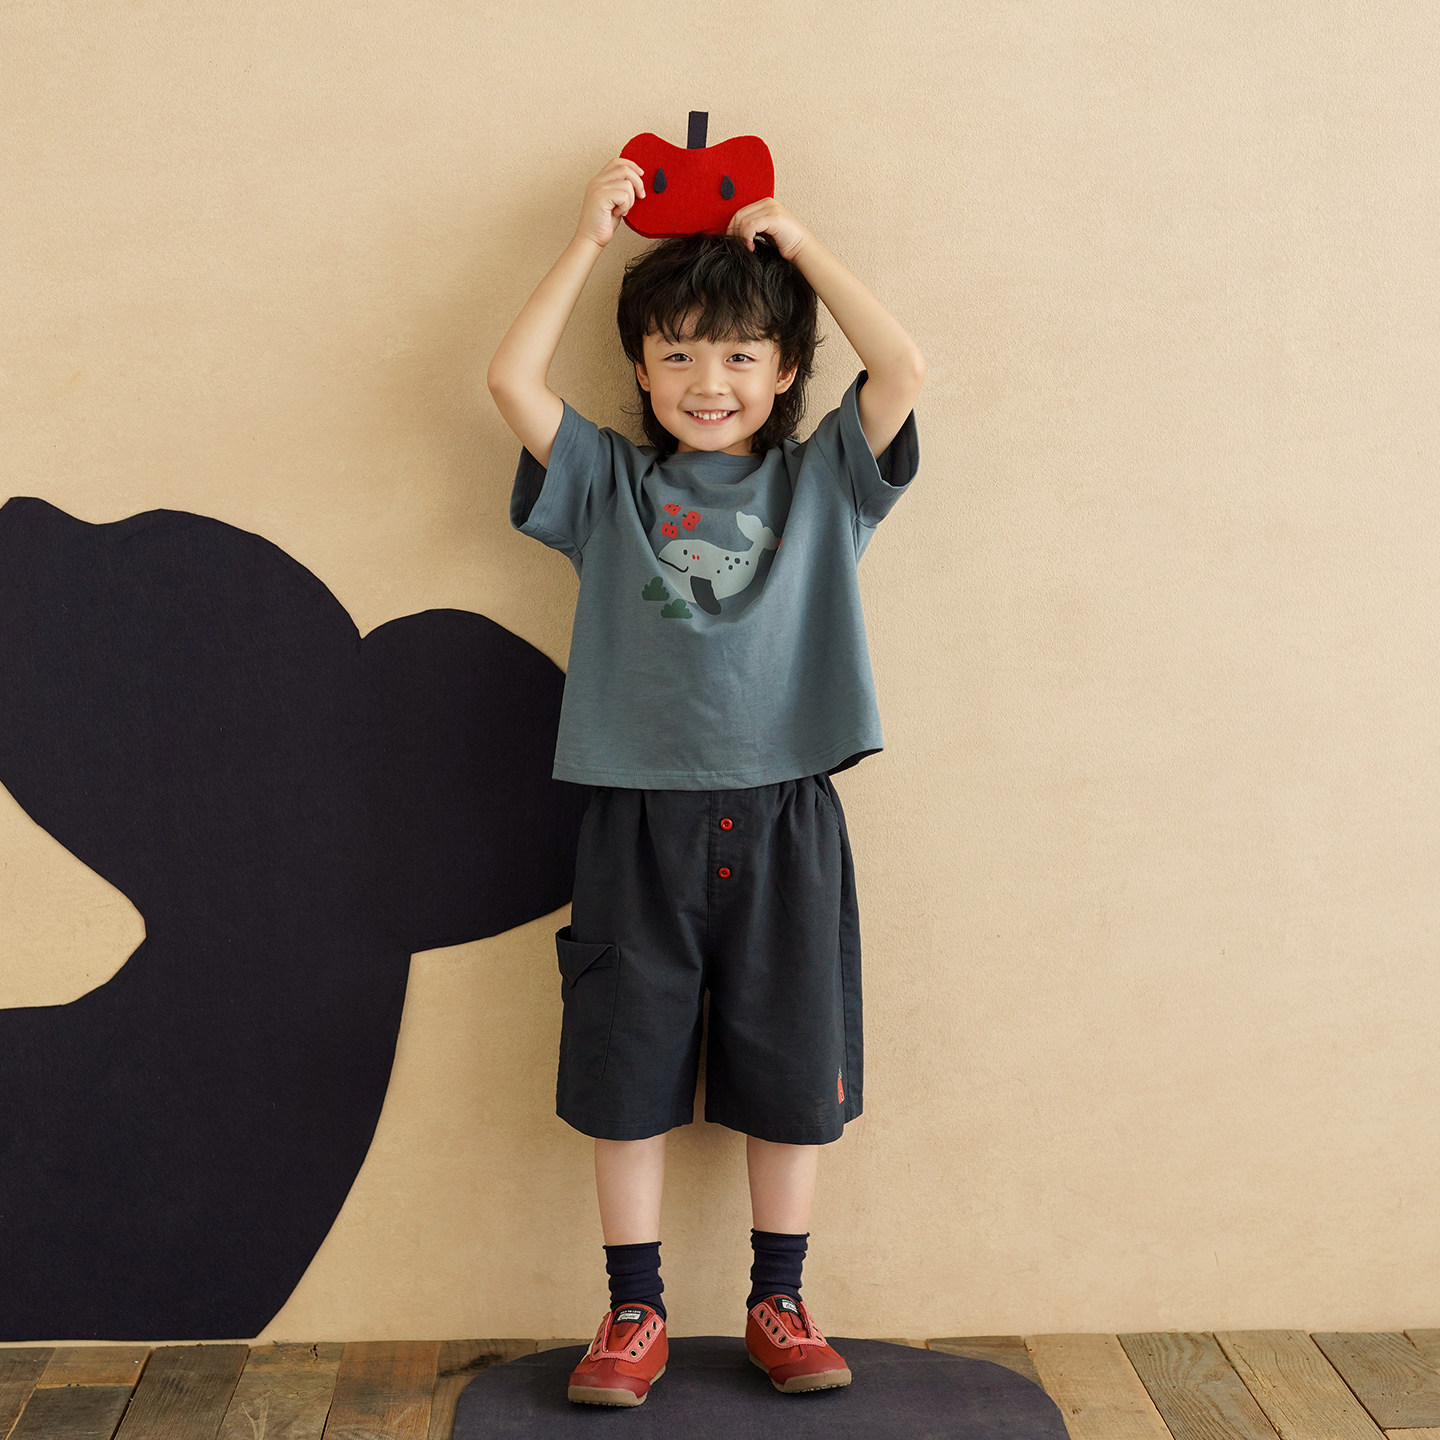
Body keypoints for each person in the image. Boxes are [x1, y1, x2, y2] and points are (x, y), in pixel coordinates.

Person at [487, 154, 924, 1407]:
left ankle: (780, 1300)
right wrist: (587, 238)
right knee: (624, 1071)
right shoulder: (606, 486)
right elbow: (510, 381)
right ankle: (634, 1311)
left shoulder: (823, 481)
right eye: (676, 353)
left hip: (788, 815)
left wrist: (802, 246)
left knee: (792, 1074)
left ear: (785, 373)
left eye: (740, 355)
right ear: (639, 368)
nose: (708, 381)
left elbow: (901, 370)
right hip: (636, 819)